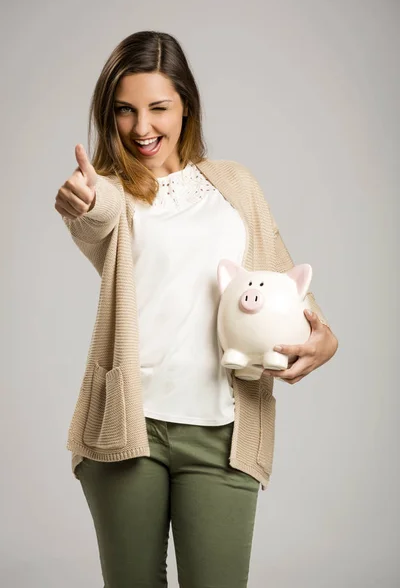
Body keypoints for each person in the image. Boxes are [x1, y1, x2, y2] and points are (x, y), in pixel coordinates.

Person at [54, 30, 338, 588]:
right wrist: (82, 202)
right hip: (128, 427)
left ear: (187, 104)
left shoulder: (235, 187)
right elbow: (97, 215)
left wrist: (325, 338)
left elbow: (288, 289)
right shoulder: (109, 191)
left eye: (159, 108)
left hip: (222, 433)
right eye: (125, 111)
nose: (142, 128)